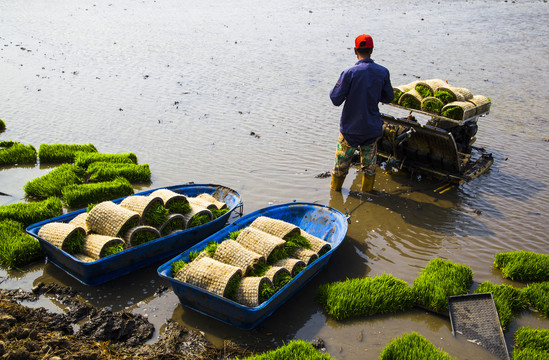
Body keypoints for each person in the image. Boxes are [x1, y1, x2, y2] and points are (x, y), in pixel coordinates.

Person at [329, 34, 394, 193]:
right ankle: (367, 195)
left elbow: (335, 99)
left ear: (355, 50)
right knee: (369, 167)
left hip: (350, 129)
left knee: (340, 166)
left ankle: (335, 195)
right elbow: (389, 97)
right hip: (371, 129)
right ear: (371, 50)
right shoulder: (383, 72)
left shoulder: (349, 73)